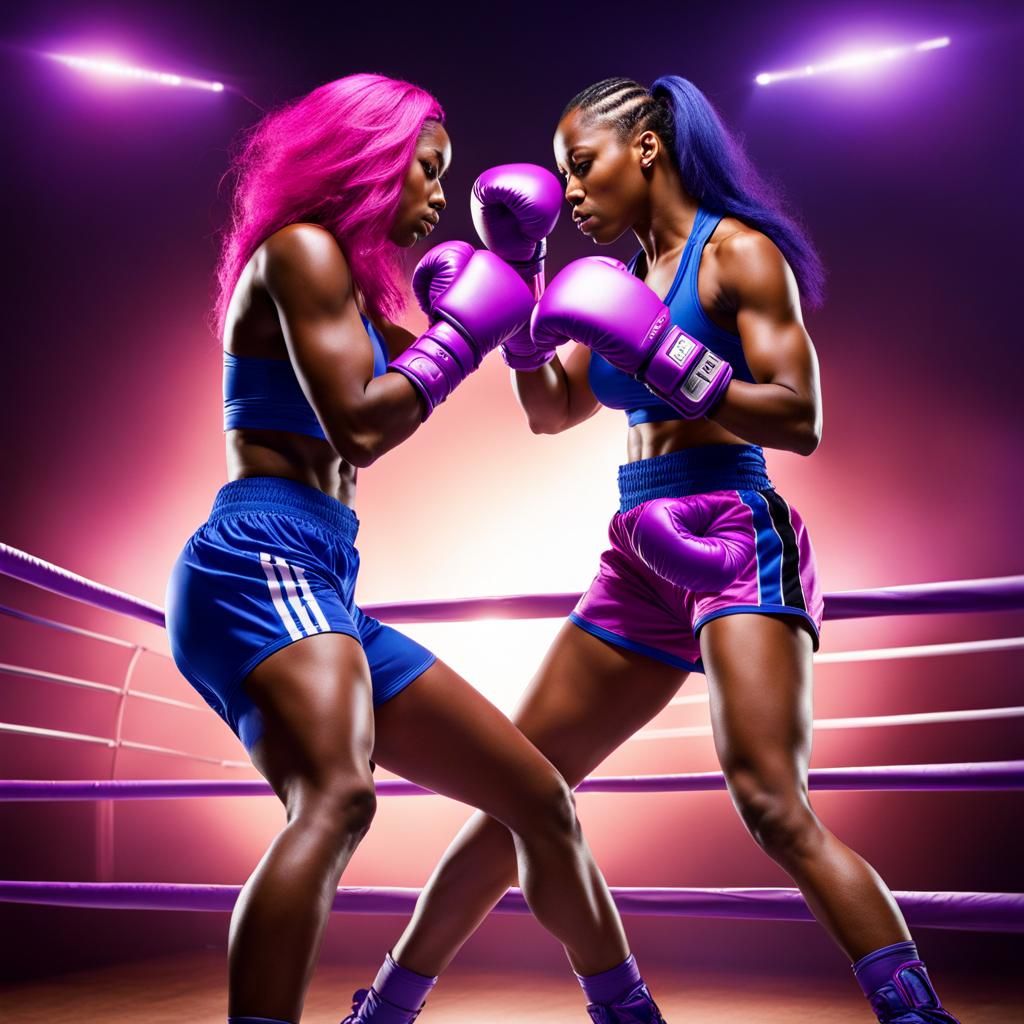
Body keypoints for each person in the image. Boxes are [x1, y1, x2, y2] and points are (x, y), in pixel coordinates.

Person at [350, 77, 962, 1024]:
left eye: (581, 167)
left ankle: (914, 1013)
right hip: (637, 551)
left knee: (771, 803)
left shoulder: (738, 256)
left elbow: (800, 418)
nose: (572, 195)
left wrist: (668, 356)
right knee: (521, 791)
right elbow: (552, 410)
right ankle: (386, 1009)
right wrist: (516, 318)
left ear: (645, 147)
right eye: (560, 179)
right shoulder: (618, 286)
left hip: (732, 535)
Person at [165, 73, 663, 1024]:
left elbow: (477, 359)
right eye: (426, 172)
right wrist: (463, 328)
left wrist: (522, 277)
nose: (440, 196)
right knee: (337, 801)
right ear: (370, 161)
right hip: (257, 557)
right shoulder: (301, 250)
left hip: (319, 573)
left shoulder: (344, 283)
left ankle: (627, 1015)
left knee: (539, 798)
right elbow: (361, 424)